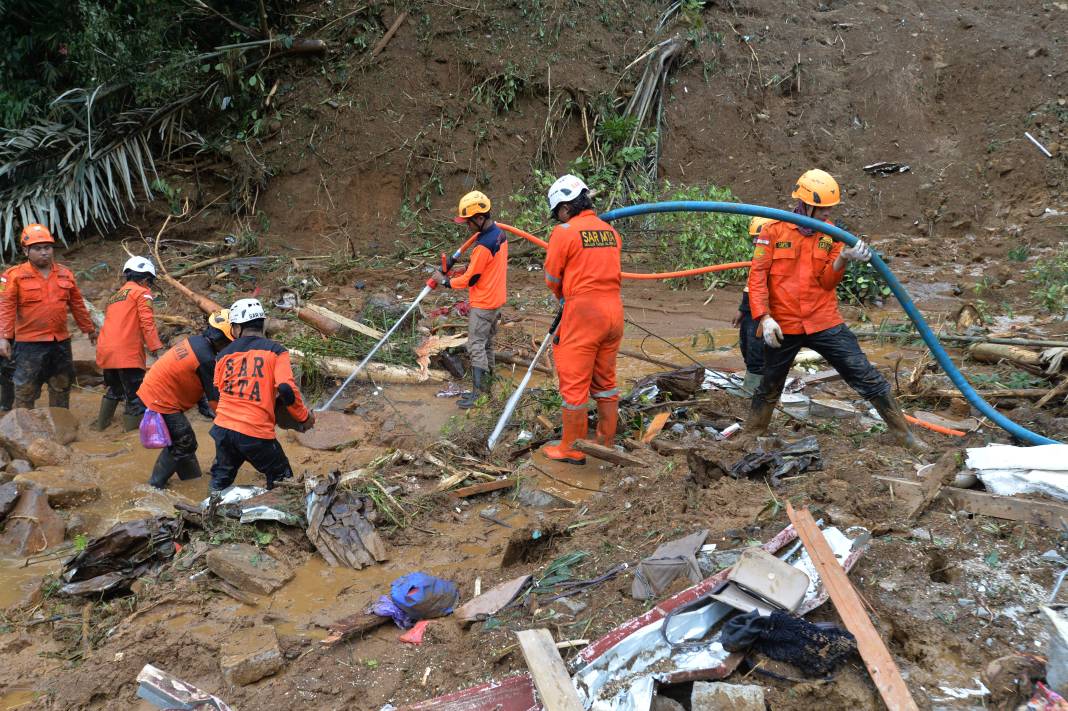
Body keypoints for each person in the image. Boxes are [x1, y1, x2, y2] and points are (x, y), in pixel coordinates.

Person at [744, 169, 927, 452]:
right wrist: (764, 318)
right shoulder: (773, 231)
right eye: (822, 209)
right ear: (805, 204)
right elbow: (756, 279)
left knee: (865, 375)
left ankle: (904, 436)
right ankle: (752, 434)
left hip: (823, 321)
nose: (827, 214)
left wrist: (843, 258)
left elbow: (827, 282)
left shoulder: (832, 236)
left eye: (830, 208)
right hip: (783, 324)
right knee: (769, 384)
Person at [540, 175, 623, 465]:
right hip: (613, 312)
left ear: (564, 208)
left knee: (574, 385)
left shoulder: (564, 232)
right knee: (606, 381)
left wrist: (565, 296)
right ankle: (605, 441)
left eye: (557, 213)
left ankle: (572, 449)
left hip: (584, 313)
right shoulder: (610, 232)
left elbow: (552, 277)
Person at [208, 298, 315, 492]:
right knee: (283, 480)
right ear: (262, 324)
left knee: (221, 480)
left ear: (238, 328)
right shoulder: (276, 351)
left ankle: (207, 513)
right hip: (254, 432)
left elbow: (217, 390)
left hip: (223, 429)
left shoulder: (222, 355)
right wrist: (304, 417)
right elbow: (285, 389)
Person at [0, 224, 97, 409]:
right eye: (37, 248)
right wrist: (3, 337)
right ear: (25, 250)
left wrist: (89, 329)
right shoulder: (14, 276)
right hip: (29, 343)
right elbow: (5, 307)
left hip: (60, 342)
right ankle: (25, 430)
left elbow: (77, 305)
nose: (44, 252)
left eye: (47, 247)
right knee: (26, 387)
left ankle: (60, 423)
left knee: (61, 384)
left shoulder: (64, 274)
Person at [138, 310, 233, 488]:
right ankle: (153, 487)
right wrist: (228, 423)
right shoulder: (206, 359)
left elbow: (191, 374)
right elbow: (215, 400)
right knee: (184, 442)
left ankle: (192, 480)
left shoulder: (196, 341)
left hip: (155, 388)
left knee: (183, 440)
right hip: (161, 398)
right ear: (223, 340)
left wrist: (201, 403)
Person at [432, 190, 509, 408]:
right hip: (496, 299)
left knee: (475, 345)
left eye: (468, 222)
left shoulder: (483, 245)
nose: (467, 226)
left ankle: (479, 394)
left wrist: (444, 281)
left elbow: (471, 279)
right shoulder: (499, 234)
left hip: (483, 303)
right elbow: (485, 267)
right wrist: (469, 268)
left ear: (480, 218)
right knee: (486, 344)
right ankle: (489, 385)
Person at [94, 256, 165, 431]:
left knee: (115, 389)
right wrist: (157, 348)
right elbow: (147, 323)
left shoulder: (115, 296)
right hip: (126, 352)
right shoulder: (142, 292)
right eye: (149, 281)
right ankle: (132, 436)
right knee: (135, 396)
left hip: (106, 351)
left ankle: (100, 427)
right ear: (146, 278)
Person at [731, 217, 774, 395]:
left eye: (759, 238)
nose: (756, 242)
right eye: (754, 239)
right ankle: (751, 386)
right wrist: (742, 310)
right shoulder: (758, 258)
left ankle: (754, 391)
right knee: (747, 346)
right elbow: (751, 286)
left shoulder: (777, 260)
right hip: (751, 310)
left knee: (758, 352)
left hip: (765, 312)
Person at [0, 265, 18, 413]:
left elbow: (6, 304)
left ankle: (6, 404)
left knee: (8, 368)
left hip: (9, 332)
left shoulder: (7, 279)